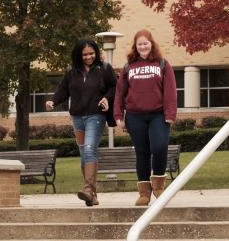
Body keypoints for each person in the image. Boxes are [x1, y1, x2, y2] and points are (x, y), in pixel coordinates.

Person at [45, 39, 117, 207]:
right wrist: (53, 101)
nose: (88, 57)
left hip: (96, 115)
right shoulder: (71, 71)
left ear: (96, 53)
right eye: (84, 54)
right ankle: (92, 196)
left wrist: (107, 98)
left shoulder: (104, 69)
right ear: (78, 55)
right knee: (85, 153)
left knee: (90, 149)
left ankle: (88, 189)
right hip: (77, 117)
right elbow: (63, 90)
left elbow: (115, 87)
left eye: (91, 53)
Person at [114, 29, 178, 207]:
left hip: (158, 115)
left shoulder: (163, 64)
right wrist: (118, 115)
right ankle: (144, 193)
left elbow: (171, 91)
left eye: (146, 43)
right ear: (135, 46)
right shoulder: (129, 67)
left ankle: (158, 186)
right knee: (141, 153)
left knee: (159, 147)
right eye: (139, 44)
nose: (143, 46)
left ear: (152, 44)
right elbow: (120, 93)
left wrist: (170, 114)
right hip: (135, 116)